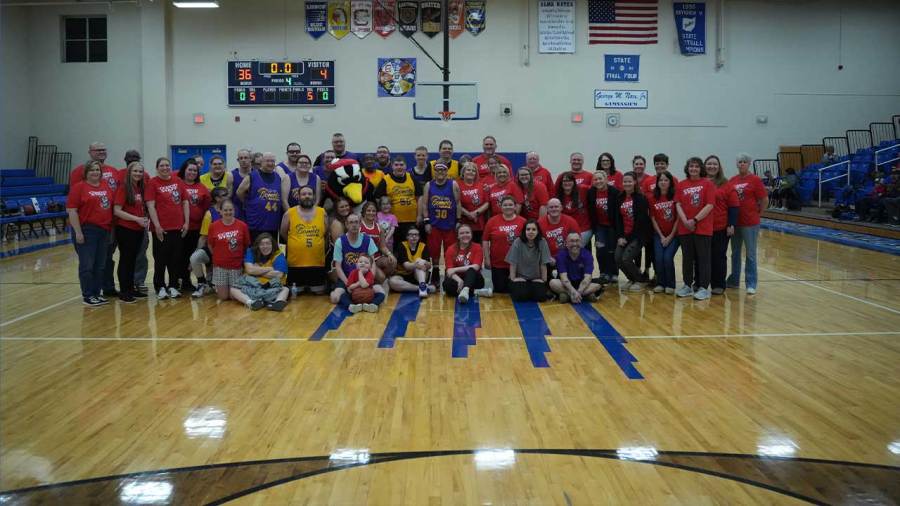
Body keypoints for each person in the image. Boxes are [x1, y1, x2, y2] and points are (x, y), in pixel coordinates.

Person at [66, 160, 115, 306]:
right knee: (87, 265)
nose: (95, 172)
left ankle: (96, 293)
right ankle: (88, 295)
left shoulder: (105, 186)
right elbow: (72, 211)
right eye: (92, 170)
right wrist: (78, 232)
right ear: (86, 172)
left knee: (100, 265)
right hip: (87, 230)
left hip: (104, 230)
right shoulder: (79, 187)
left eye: (97, 170)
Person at [146, 157, 190, 299]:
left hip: (178, 227)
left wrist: (186, 222)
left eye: (167, 165)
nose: (165, 168)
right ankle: (160, 287)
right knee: (160, 259)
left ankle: (173, 285)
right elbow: (151, 206)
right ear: (157, 168)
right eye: (162, 166)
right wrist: (157, 226)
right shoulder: (152, 183)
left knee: (175, 259)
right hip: (161, 229)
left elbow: (185, 202)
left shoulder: (178, 181)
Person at [675, 157, 716, 300]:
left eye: (696, 166)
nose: (693, 169)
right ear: (687, 168)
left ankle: (703, 288)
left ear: (701, 169)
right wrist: (685, 221)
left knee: (703, 259)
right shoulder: (681, 184)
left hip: (703, 228)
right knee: (687, 258)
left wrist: (695, 220)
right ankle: (687, 285)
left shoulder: (708, 184)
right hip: (685, 228)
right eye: (691, 166)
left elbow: (710, 205)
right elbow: (678, 204)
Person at [727, 153, 768, 295]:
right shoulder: (732, 180)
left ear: (749, 164)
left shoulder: (755, 180)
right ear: (737, 164)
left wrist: (758, 213)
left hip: (750, 223)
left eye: (745, 162)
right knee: (735, 253)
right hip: (735, 223)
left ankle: (751, 283)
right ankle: (734, 280)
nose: (742, 164)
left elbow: (764, 200)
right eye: (740, 162)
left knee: (750, 254)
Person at [280, 185, 329, 296]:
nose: (307, 196)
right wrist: (295, 243)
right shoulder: (289, 213)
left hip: (317, 263)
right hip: (295, 264)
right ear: (298, 196)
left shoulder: (322, 212)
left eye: (309, 194)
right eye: (304, 194)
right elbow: (283, 232)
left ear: (314, 196)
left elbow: (326, 233)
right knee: (296, 293)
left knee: (319, 292)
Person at [113, 161, 150, 303]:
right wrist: (136, 219)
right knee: (126, 260)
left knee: (133, 260)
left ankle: (131, 288)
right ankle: (124, 291)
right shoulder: (124, 188)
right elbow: (117, 211)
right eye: (135, 171)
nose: (138, 174)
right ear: (129, 172)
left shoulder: (139, 188)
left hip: (138, 229)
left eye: (140, 171)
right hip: (125, 229)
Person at [422, 162, 461, 287]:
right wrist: (426, 221)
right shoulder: (429, 185)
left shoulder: (453, 184)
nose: (440, 172)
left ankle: (449, 274)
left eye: (443, 170)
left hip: (450, 225)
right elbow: (424, 204)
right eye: (438, 170)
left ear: (446, 171)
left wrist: (458, 221)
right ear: (434, 171)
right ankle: (435, 274)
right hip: (434, 224)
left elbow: (458, 204)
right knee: (434, 252)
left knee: (450, 252)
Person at [206, 200, 252, 305]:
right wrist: (219, 256)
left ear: (234, 211)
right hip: (220, 266)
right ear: (220, 211)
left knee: (233, 296)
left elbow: (246, 245)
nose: (228, 212)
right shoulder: (213, 226)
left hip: (236, 266)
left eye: (230, 210)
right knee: (223, 297)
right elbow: (210, 245)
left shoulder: (242, 226)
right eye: (225, 210)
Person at [481, 195, 527, 296]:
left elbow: (528, 242)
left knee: (517, 291)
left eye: (510, 205)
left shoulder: (523, 222)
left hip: (518, 264)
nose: (508, 207)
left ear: (515, 206)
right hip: (498, 264)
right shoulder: (492, 221)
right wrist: (487, 258)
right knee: (500, 291)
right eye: (505, 205)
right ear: (500, 207)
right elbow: (485, 240)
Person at [330, 213, 381, 304]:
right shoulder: (340, 241)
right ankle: (350, 305)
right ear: (346, 225)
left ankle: (373, 305)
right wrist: (348, 284)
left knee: (380, 291)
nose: (354, 225)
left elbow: (373, 264)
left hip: (365, 277)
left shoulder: (368, 240)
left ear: (360, 224)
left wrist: (369, 280)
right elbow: (338, 267)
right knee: (335, 298)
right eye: (351, 222)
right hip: (346, 277)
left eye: (356, 222)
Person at [613, 172, 651, 292]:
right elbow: (618, 219)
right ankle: (632, 279)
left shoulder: (641, 198)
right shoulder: (619, 198)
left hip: (638, 235)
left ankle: (641, 280)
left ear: (635, 182)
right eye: (625, 181)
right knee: (618, 258)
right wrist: (620, 236)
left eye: (629, 181)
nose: (627, 184)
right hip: (624, 235)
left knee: (626, 258)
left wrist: (628, 238)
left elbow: (641, 221)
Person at [231, 233, 289, 311]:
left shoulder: (278, 255)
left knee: (285, 289)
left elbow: (279, 274)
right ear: (258, 245)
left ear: (272, 245)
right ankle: (251, 303)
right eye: (262, 244)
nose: (265, 246)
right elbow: (249, 270)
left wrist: (257, 270)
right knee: (233, 289)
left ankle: (277, 303)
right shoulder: (251, 251)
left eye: (268, 243)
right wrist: (269, 268)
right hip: (252, 287)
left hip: (270, 288)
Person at [706, 155, 739, 295]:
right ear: (704, 166)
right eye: (709, 164)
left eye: (715, 164)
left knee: (718, 256)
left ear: (719, 167)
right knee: (703, 257)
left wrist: (731, 224)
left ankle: (718, 284)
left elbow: (734, 206)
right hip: (703, 228)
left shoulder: (727, 184)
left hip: (720, 227)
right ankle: (701, 283)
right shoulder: (700, 182)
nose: (712, 166)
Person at [177, 158, 211, 292]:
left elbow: (206, 207)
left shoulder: (201, 187)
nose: (192, 172)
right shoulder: (178, 184)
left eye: (195, 171)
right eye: (189, 170)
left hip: (197, 229)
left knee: (192, 256)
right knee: (180, 256)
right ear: (184, 170)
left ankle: (192, 282)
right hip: (180, 228)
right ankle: (180, 282)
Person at [189, 187, 230, 297]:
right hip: (213, 249)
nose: (228, 197)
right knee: (194, 258)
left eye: (227, 194)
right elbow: (203, 238)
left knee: (221, 290)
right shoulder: (209, 214)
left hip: (229, 250)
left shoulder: (232, 210)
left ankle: (213, 281)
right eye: (224, 195)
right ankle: (201, 283)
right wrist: (195, 253)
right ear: (217, 198)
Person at [237, 152, 284, 242]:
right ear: (261, 162)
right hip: (256, 223)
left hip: (273, 223)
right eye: (267, 161)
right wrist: (249, 203)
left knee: (271, 248)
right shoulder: (252, 176)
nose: (270, 163)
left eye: (272, 161)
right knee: (256, 247)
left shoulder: (278, 177)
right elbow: (239, 192)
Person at [647, 171, 679, 294]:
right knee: (659, 258)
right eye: (661, 180)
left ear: (670, 182)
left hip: (674, 235)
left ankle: (670, 284)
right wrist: (661, 236)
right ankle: (661, 283)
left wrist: (670, 236)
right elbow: (653, 218)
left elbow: (678, 218)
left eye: (666, 180)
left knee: (667, 258)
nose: (663, 182)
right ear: (657, 183)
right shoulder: (652, 198)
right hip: (659, 235)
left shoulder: (675, 196)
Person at [549, 232, 603, 303]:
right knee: (553, 282)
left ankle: (568, 296)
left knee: (598, 284)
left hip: (582, 284)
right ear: (566, 244)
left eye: (577, 241)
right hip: (566, 284)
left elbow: (587, 278)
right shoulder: (561, 255)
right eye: (571, 241)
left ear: (581, 242)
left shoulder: (587, 255)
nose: (575, 244)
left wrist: (578, 292)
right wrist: (572, 291)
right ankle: (585, 295)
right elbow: (564, 278)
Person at [586, 170, 620, 283]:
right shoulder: (591, 192)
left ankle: (614, 273)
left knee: (612, 250)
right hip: (599, 226)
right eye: (595, 179)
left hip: (612, 226)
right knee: (601, 250)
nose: (598, 181)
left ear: (606, 179)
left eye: (600, 178)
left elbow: (617, 212)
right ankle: (603, 273)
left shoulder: (614, 192)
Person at [506, 220, 551, 302]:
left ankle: (531, 290)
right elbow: (513, 262)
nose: (531, 232)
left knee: (540, 297)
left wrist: (543, 280)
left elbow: (543, 263)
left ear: (538, 231)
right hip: (520, 277)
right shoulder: (518, 242)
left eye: (534, 229)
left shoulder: (542, 242)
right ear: (524, 231)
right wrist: (513, 279)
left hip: (536, 278)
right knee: (520, 296)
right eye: (528, 229)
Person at [380, 155, 421, 244]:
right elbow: (378, 199)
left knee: (410, 246)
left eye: (401, 165)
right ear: (392, 166)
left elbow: (419, 197)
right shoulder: (386, 179)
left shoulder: (412, 178)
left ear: (406, 166)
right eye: (396, 165)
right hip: (392, 222)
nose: (399, 167)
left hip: (411, 220)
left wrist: (419, 215)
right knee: (395, 246)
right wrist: (384, 217)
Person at [442, 224, 484, 303]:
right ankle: (474, 292)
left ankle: (465, 290)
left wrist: (455, 269)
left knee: (471, 269)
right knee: (447, 285)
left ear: (471, 234)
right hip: (457, 279)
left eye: (467, 232)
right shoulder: (451, 249)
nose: (465, 235)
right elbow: (449, 271)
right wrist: (459, 281)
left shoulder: (477, 247)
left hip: (473, 279)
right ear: (458, 236)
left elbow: (476, 267)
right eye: (462, 233)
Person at [389, 227, 432, 297]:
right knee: (392, 282)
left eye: (416, 235)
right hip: (403, 275)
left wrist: (424, 262)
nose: (414, 237)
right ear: (407, 237)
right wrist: (417, 264)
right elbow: (406, 266)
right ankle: (421, 288)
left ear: (419, 237)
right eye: (411, 235)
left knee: (420, 261)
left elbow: (429, 265)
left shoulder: (423, 246)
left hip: (419, 275)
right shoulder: (402, 245)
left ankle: (422, 289)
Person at [537, 198, 580, 264]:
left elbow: (578, 242)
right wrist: (547, 257)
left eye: (556, 207)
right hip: (548, 260)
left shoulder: (571, 221)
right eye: (551, 207)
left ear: (561, 208)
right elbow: (536, 244)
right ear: (547, 209)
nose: (554, 209)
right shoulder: (539, 223)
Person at [361, 201, 396, 277]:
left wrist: (389, 254)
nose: (371, 213)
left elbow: (382, 247)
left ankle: (381, 279)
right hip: (362, 258)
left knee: (393, 261)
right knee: (381, 277)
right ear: (364, 212)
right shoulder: (359, 226)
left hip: (376, 258)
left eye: (373, 211)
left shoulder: (379, 227)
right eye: (368, 210)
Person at [458, 162, 489, 242]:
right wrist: (468, 214)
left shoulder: (482, 185)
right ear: (463, 172)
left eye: (473, 171)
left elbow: (487, 203)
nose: (471, 172)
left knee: (478, 247)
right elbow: (456, 203)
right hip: (463, 224)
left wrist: (475, 213)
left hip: (479, 224)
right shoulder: (457, 185)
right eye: (468, 170)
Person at [557, 171, 591, 245]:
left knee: (575, 247)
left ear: (574, 182)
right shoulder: (558, 195)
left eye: (570, 180)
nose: (567, 183)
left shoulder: (582, 189)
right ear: (561, 183)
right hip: (566, 229)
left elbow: (597, 187)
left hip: (583, 228)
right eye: (564, 181)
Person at [231, 149, 253, 219]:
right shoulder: (231, 175)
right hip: (236, 212)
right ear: (238, 160)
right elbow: (228, 196)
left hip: (252, 211)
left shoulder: (257, 175)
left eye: (246, 158)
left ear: (250, 159)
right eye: (241, 158)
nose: (243, 160)